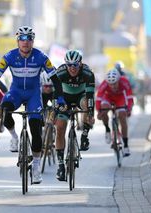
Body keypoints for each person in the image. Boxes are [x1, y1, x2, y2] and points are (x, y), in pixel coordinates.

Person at [0, 26, 65, 184]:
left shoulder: (41, 56)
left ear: (32, 41)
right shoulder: (9, 56)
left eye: (29, 39)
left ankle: (36, 167)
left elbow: (55, 79)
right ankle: (14, 137)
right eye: (22, 38)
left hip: (34, 94)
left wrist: (60, 97)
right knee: (5, 109)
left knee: (35, 129)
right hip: (16, 92)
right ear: (18, 41)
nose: (25, 42)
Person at [54, 49, 95, 181]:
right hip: (64, 97)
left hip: (80, 96)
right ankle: (60, 165)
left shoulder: (88, 73)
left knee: (86, 106)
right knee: (60, 128)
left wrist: (90, 113)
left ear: (80, 64)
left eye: (75, 65)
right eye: (69, 65)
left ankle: (84, 136)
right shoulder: (60, 73)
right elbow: (56, 95)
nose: (72, 68)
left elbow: (90, 97)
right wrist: (57, 108)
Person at [96, 69, 134, 157]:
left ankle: (126, 145)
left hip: (120, 98)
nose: (113, 86)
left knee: (122, 117)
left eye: (115, 83)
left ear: (119, 80)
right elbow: (98, 99)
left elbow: (129, 97)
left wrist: (129, 109)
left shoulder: (124, 82)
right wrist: (99, 111)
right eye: (110, 84)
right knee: (104, 108)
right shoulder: (104, 84)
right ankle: (107, 129)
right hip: (108, 97)